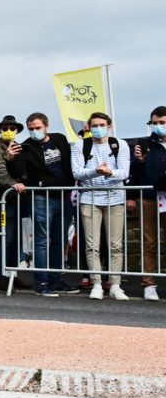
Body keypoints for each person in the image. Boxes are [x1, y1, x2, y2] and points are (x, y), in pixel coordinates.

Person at [13, 112, 76, 296]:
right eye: (31, 129)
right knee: (41, 241)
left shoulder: (60, 139)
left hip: (63, 196)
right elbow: (19, 171)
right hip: (41, 197)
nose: (35, 132)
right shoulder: (25, 147)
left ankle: (56, 280)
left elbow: (68, 163)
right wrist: (11, 158)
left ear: (46, 126)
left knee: (60, 240)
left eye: (38, 128)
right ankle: (41, 282)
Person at [71, 112, 130, 300]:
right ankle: (96, 283)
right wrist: (97, 171)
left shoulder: (120, 145)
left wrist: (109, 172)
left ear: (109, 126)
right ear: (88, 127)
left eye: (101, 125)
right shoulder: (81, 145)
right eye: (94, 125)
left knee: (115, 244)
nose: (98, 128)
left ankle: (115, 284)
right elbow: (77, 173)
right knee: (91, 245)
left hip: (115, 199)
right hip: (89, 199)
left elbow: (124, 173)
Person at [130, 106, 166, 301]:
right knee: (149, 242)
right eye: (155, 123)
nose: (158, 126)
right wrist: (139, 161)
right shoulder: (145, 144)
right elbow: (134, 173)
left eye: (162, 122)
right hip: (148, 197)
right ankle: (149, 283)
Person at [0, 115, 26, 275]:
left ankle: (12, 274)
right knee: (5, 237)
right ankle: (2, 274)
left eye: (12, 128)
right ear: (0, 130)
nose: (8, 131)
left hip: (18, 199)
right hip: (2, 198)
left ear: (16, 131)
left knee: (16, 239)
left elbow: (24, 172)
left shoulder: (21, 147)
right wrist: (13, 183)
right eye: (5, 128)